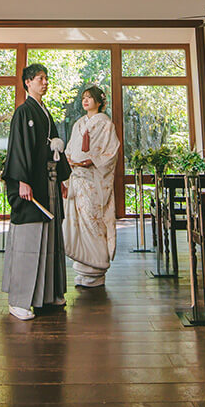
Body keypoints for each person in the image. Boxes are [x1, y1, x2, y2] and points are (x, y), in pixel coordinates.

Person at [1, 63, 71, 320]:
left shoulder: (45, 112)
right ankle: (19, 300)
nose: (45, 82)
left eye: (46, 78)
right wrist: (20, 180)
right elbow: (18, 148)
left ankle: (48, 295)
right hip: (31, 183)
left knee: (50, 238)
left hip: (49, 182)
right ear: (27, 83)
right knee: (29, 240)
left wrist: (61, 179)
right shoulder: (23, 112)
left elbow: (54, 149)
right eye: (40, 78)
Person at [62, 86, 121, 288]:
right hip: (77, 178)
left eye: (89, 98)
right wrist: (69, 160)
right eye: (83, 98)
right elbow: (71, 147)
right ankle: (83, 265)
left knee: (93, 221)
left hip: (94, 180)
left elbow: (112, 152)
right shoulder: (79, 123)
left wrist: (93, 160)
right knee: (78, 221)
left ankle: (96, 268)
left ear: (99, 101)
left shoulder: (106, 124)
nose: (85, 101)